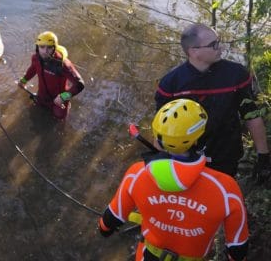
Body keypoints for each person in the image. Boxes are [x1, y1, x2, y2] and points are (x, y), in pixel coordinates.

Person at [98, 99, 249, 261]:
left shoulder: (137, 174)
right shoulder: (226, 189)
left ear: (158, 139)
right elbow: (237, 251)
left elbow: (108, 224)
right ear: (198, 139)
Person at [155, 23, 270, 180]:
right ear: (193, 51)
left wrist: (263, 155)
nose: (220, 47)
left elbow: (251, 115)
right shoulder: (171, 84)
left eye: (219, 41)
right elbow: (162, 128)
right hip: (186, 156)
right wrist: (159, 159)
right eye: (213, 44)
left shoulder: (236, 74)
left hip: (226, 154)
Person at [18, 31, 85, 119]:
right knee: (36, 111)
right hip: (42, 95)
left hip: (58, 100)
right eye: (42, 47)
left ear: (54, 48)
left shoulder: (63, 64)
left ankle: (67, 105)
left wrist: (64, 97)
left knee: (59, 117)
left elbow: (80, 84)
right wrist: (23, 80)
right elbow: (32, 70)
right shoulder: (35, 58)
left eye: (49, 47)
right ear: (37, 47)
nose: (45, 51)